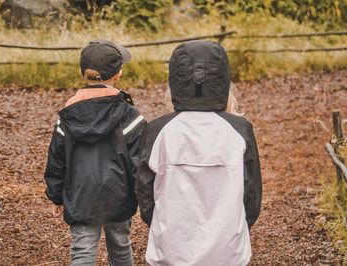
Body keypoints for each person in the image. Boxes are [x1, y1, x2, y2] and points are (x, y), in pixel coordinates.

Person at [136, 40, 262, 266]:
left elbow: (145, 192)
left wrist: (160, 226)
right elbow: (251, 193)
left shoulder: (158, 130)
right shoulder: (239, 130)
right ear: (222, 78)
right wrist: (238, 228)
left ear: (175, 78)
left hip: (171, 249)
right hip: (227, 249)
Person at [44, 39, 146, 266]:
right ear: (118, 75)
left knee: (82, 250)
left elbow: (56, 159)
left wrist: (56, 194)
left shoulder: (68, 115)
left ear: (83, 73)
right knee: (120, 247)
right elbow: (139, 162)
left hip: (80, 195)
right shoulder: (130, 116)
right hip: (118, 195)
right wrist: (143, 196)